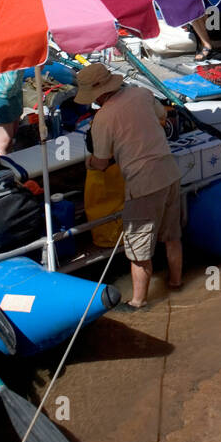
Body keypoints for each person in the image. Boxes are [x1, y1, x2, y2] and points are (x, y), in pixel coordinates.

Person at [77, 63, 182, 310]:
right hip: (170, 171)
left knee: (138, 249)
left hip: (143, 183)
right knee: (172, 236)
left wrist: (88, 162)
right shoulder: (140, 93)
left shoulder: (103, 118)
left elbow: (102, 162)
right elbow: (162, 116)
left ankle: (138, 302)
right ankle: (177, 283)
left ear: (98, 96)